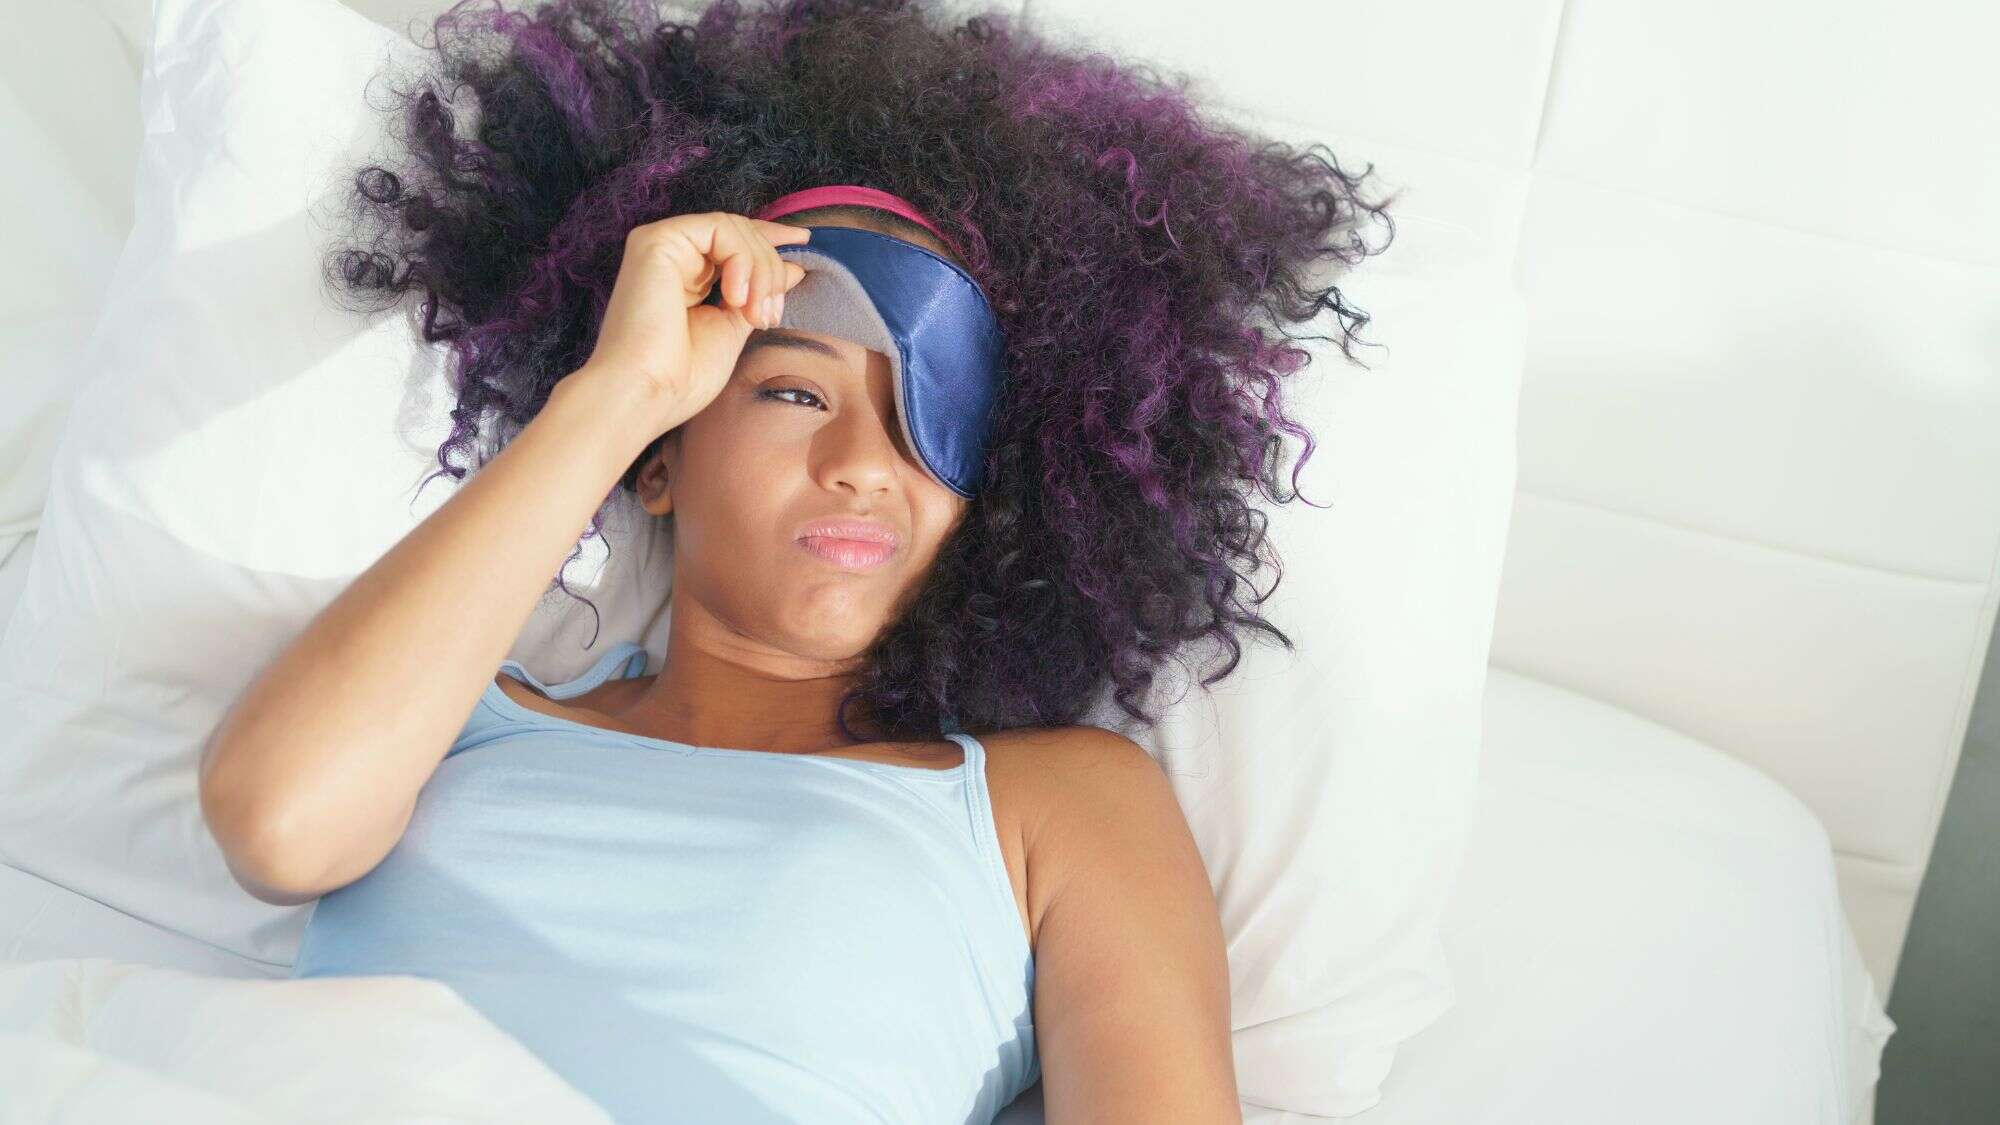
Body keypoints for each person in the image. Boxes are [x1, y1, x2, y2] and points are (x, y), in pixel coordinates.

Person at [201, 1, 1397, 1121]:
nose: (864, 465)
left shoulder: (1063, 806)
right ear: (659, 465)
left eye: (929, 421)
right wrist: (619, 394)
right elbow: (277, 825)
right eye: (791, 392)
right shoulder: (442, 717)